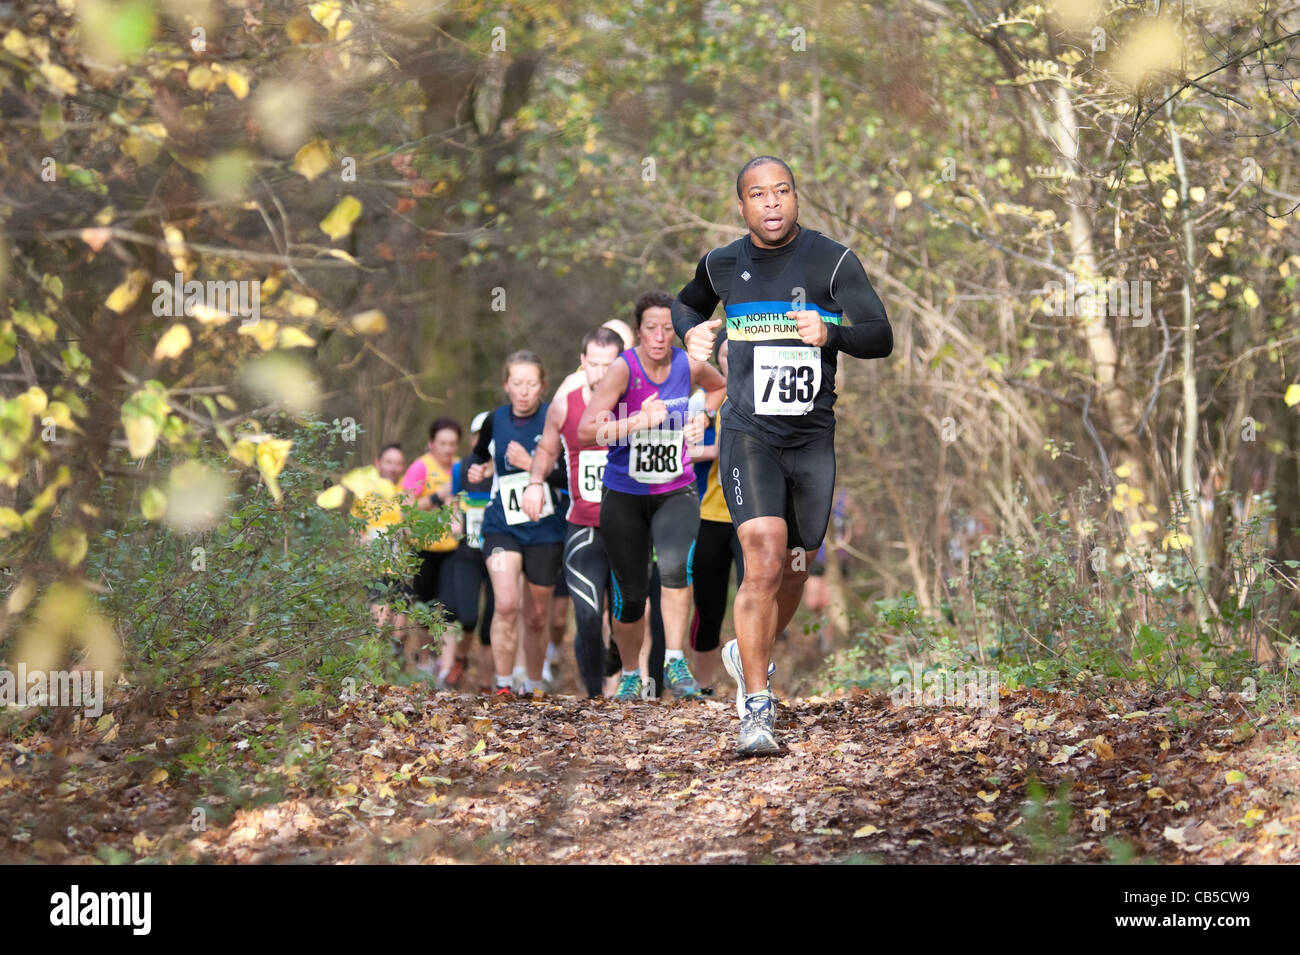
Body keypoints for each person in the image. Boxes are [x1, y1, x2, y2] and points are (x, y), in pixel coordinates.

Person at [670, 155, 892, 754]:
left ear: (796, 197)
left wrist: (832, 333)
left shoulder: (832, 261)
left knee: (795, 569)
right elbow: (686, 305)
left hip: (811, 439)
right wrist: (688, 333)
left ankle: (749, 649)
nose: (771, 203)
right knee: (763, 561)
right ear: (741, 206)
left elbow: (881, 333)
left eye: (782, 191)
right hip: (748, 435)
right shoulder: (721, 266)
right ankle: (757, 707)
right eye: (758, 194)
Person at [578, 291, 727, 701]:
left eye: (667, 328)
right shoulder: (623, 371)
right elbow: (587, 431)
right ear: (638, 332)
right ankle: (629, 673)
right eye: (651, 328)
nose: (660, 336)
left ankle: (674, 659)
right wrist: (637, 422)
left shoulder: (688, 365)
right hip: (624, 493)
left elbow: (719, 388)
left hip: (675, 489)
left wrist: (702, 415)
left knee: (676, 570)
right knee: (631, 596)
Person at [523, 326, 625, 697]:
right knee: (586, 615)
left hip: (628, 527)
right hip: (583, 527)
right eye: (593, 364)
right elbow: (547, 452)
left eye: (608, 364)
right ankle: (596, 695)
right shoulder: (565, 406)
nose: (600, 373)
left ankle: (620, 664)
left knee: (625, 615)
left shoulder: (633, 402)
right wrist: (535, 483)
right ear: (582, 362)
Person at [468, 352, 568, 697]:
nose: (524, 391)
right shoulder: (494, 420)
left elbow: (570, 474)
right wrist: (478, 469)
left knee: (537, 615)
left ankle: (535, 683)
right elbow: (480, 456)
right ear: (506, 385)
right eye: (517, 383)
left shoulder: (555, 418)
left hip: (545, 528)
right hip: (502, 526)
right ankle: (503, 684)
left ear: (543, 386)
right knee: (507, 603)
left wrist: (531, 466)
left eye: (531, 384)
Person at [399, 418, 464, 676]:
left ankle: (445, 669)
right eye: (443, 443)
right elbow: (406, 508)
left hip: (452, 550)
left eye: (452, 444)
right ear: (431, 443)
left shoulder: (460, 468)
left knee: (449, 608)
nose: (448, 449)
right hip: (422, 547)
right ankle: (424, 660)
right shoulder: (420, 467)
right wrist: (439, 496)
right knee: (424, 608)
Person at [438, 411, 494, 690]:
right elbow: (453, 500)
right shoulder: (462, 468)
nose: (483, 440)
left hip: (498, 551)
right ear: (473, 438)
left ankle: (488, 681)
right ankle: (459, 659)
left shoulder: (504, 468)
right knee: (468, 615)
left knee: (493, 621)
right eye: (478, 435)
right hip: (468, 551)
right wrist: (453, 517)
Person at [352, 442, 410, 653]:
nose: (393, 467)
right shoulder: (365, 491)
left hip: (403, 568)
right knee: (380, 620)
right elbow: (355, 526)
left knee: (399, 629)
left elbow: (415, 528)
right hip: (375, 566)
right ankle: (373, 673)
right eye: (389, 462)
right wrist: (359, 553)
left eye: (398, 463)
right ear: (378, 463)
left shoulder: (407, 489)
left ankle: (396, 676)